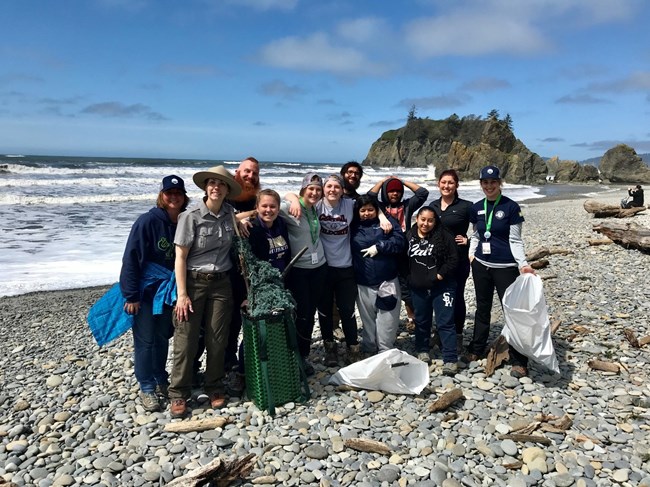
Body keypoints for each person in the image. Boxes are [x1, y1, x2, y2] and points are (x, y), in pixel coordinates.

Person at [168, 165, 242, 417]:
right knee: (186, 339)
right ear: (205, 187)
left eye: (221, 184)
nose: (215, 187)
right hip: (193, 282)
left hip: (222, 282)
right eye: (211, 183)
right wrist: (182, 294)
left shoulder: (230, 214)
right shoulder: (190, 217)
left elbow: (241, 224)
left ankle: (214, 386)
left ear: (226, 190)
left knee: (217, 338)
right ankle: (179, 393)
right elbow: (180, 257)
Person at [119, 175, 189, 412]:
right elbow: (131, 258)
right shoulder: (147, 222)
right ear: (162, 195)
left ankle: (161, 378)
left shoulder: (184, 221)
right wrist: (131, 295)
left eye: (178, 193)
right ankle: (146, 387)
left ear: (184, 197)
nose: (174, 197)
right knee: (145, 340)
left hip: (169, 291)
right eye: (169, 193)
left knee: (162, 337)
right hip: (146, 291)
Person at [466, 165, 535, 378]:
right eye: (485, 183)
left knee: (511, 313)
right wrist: (471, 254)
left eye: (493, 182)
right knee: (482, 309)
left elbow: (515, 239)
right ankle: (477, 348)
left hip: (505, 268)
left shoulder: (512, 207)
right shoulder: (477, 207)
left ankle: (519, 360)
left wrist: (522, 264)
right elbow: (476, 235)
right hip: (481, 266)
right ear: (481, 184)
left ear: (499, 183)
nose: (489, 186)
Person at [287, 174, 360, 366]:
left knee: (347, 310)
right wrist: (293, 197)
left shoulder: (350, 204)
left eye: (337, 186)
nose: (332, 190)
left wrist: (382, 217)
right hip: (323, 267)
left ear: (343, 190)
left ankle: (353, 347)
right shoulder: (316, 206)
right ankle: (330, 349)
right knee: (325, 311)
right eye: (328, 186)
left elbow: (372, 206)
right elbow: (291, 197)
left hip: (345, 267)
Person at [280, 173, 327, 375]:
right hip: (299, 270)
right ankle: (295, 356)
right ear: (303, 189)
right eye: (311, 189)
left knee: (310, 313)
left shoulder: (314, 209)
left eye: (318, 189)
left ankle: (304, 356)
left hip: (319, 268)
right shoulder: (290, 208)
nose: (315, 192)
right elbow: (264, 210)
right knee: (301, 314)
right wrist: (241, 222)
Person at [368, 176, 429, 331]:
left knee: (407, 286)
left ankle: (412, 318)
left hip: (404, 251)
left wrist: (402, 181)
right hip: (385, 251)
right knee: (384, 287)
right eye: (391, 191)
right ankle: (381, 319)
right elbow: (369, 196)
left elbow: (423, 193)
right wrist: (382, 182)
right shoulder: (380, 207)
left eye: (397, 191)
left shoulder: (407, 206)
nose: (394, 193)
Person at [405, 206, 459, 375]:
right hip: (418, 288)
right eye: (423, 219)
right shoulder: (408, 237)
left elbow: (453, 259)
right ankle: (422, 350)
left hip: (442, 287)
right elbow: (401, 262)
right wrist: (409, 281)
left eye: (430, 220)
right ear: (417, 219)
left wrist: (440, 276)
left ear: (435, 221)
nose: (426, 223)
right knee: (421, 320)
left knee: (445, 322)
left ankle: (450, 358)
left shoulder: (444, 236)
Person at [351, 195, 406, 355]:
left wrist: (380, 246)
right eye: (363, 210)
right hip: (363, 281)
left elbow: (400, 242)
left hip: (387, 280)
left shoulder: (388, 224)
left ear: (377, 209)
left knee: (388, 318)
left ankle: (385, 350)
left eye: (370, 209)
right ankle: (369, 349)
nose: (367, 213)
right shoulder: (352, 226)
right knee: (367, 320)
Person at [431, 169, 472, 353]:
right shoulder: (432, 206)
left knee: (456, 297)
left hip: (459, 260)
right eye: (443, 182)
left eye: (450, 183)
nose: (446, 186)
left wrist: (469, 240)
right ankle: (440, 331)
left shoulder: (466, 206)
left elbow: (482, 229)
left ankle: (457, 335)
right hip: (437, 261)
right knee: (439, 298)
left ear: (457, 185)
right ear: (438, 184)